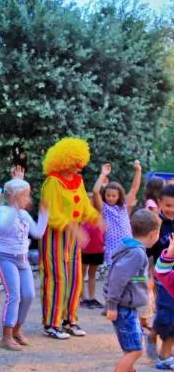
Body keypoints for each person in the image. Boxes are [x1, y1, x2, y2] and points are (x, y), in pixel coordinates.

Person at [39, 138, 101, 340]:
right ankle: (52, 322)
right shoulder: (52, 182)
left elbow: (84, 206)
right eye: (75, 162)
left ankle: (69, 320)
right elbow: (51, 213)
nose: (79, 166)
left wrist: (96, 219)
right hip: (55, 235)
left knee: (75, 279)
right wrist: (73, 228)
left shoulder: (79, 181)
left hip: (73, 238)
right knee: (57, 279)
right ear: (64, 161)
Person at [101, 210, 160, 372]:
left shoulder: (129, 245)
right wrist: (111, 305)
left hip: (127, 307)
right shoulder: (136, 253)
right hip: (124, 308)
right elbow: (118, 277)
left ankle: (129, 371)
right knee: (135, 349)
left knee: (131, 344)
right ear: (153, 233)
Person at [0, 178, 48, 350]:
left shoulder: (24, 214)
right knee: (14, 295)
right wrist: (15, 209)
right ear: (15, 197)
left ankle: (17, 330)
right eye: (25, 195)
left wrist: (44, 213)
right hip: (6, 256)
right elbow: (2, 228)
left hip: (22, 258)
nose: (29, 198)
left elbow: (38, 233)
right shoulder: (3, 211)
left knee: (29, 294)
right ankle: (6, 336)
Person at [92, 161, 142, 267]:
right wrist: (103, 175)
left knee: (129, 275)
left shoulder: (123, 206)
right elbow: (96, 192)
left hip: (128, 245)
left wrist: (138, 170)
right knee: (114, 277)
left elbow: (134, 189)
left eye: (113, 196)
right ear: (104, 195)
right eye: (108, 195)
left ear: (119, 196)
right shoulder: (104, 208)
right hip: (113, 248)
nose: (110, 198)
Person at [147, 185, 174, 370]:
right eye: (168, 205)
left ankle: (153, 334)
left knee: (167, 315)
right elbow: (148, 252)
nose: (171, 209)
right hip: (162, 277)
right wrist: (147, 276)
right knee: (168, 315)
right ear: (159, 203)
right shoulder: (155, 225)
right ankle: (164, 356)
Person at [80, 217, 105, 310]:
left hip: (97, 248)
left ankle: (91, 298)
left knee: (92, 274)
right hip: (84, 249)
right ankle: (83, 298)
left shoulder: (100, 212)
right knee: (81, 274)